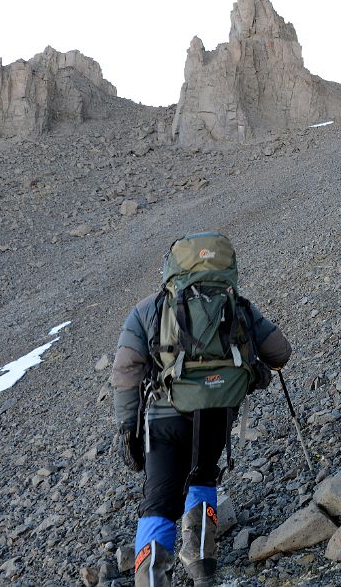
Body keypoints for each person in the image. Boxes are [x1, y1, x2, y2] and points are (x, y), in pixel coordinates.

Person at [111, 233, 292, 587]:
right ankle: (202, 568)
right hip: (217, 412)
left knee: (159, 502)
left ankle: (151, 580)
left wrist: (127, 427)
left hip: (164, 418)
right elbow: (280, 352)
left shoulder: (148, 310)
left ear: (170, 269)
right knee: (203, 475)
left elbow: (126, 371)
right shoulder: (235, 304)